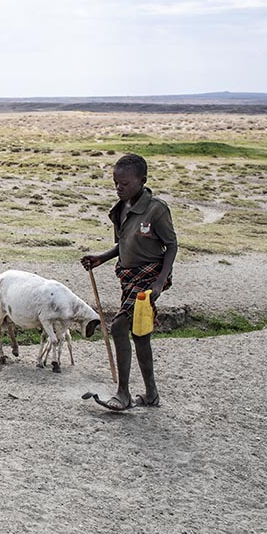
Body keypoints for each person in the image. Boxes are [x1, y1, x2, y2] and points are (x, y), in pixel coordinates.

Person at [80, 153, 177, 411]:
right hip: (129, 277)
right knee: (140, 334)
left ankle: (123, 394)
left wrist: (160, 281)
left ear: (142, 181)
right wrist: (101, 258)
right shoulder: (120, 209)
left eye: (124, 184)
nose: (119, 188)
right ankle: (151, 394)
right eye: (115, 183)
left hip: (149, 277)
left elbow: (172, 244)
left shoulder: (156, 209)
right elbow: (123, 244)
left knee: (119, 326)